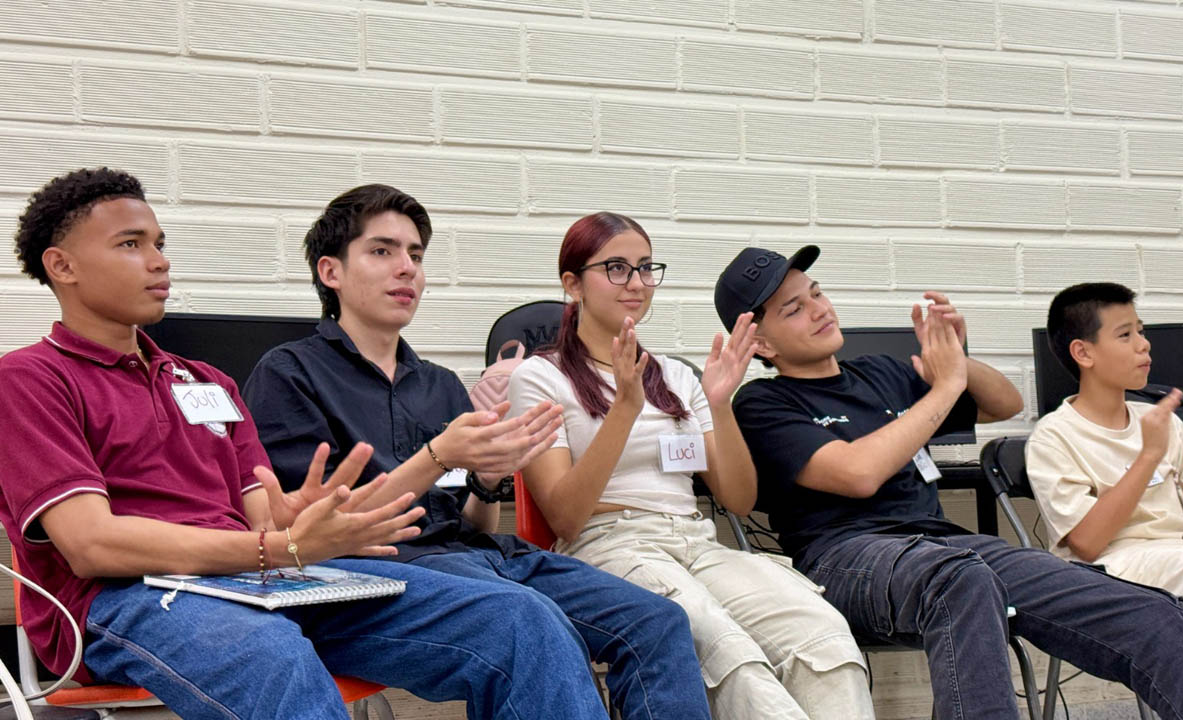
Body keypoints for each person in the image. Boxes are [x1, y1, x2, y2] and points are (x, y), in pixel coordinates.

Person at [0, 167, 631, 720]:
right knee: (268, 654)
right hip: (127, 598)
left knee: (518, 619)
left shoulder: (205, 382)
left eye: (160, 243)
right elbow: (91, 545)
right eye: (131, 245)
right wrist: (281, 545)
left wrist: (303, 516)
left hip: (255, 580)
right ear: (63, 266)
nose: (160, 260)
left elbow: (265, 518)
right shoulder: (29, 379)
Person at [721, 244, 1183, 720]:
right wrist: (943, 388)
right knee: (960, 580)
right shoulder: (763, 402)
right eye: (794, 309)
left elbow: (1003, 403)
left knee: (1147, 610)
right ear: (761, 344)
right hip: (846, 555)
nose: (819, 310)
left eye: (816, 293)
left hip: (946, 546)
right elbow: (859, 474)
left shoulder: (882, 372)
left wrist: (958, 359)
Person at [244, 187, 711, 720]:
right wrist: (439, 454)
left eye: (416, 255)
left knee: (658, 620)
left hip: (477, 558)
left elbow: (467, 520)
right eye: (382, 251)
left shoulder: (438, 383)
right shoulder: (289, 373)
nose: (407, 269)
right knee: (525, 622)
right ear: (331, 272)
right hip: (361, 577)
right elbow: (310, 533)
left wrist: (488, 481)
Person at [507, 212, 874, 720]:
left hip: (695, 542)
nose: (636, 283)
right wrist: (624, 409)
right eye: (616, 268)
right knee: (730, 655)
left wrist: (720, 405)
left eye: (644, 268)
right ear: (573, 284)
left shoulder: (677, 375)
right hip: (608, 544)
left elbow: (739, 501)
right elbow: (565, 519)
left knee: (824, 635)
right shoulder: (539, 377)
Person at [1026, 281, 1183, 715]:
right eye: (1125, 335)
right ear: (1083, 353)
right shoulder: (1053, 435)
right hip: (1113, 568)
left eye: (1141, 332)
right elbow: (1086, 543)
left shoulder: (1158, 421)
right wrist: (1149, 455)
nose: (1144, 345)